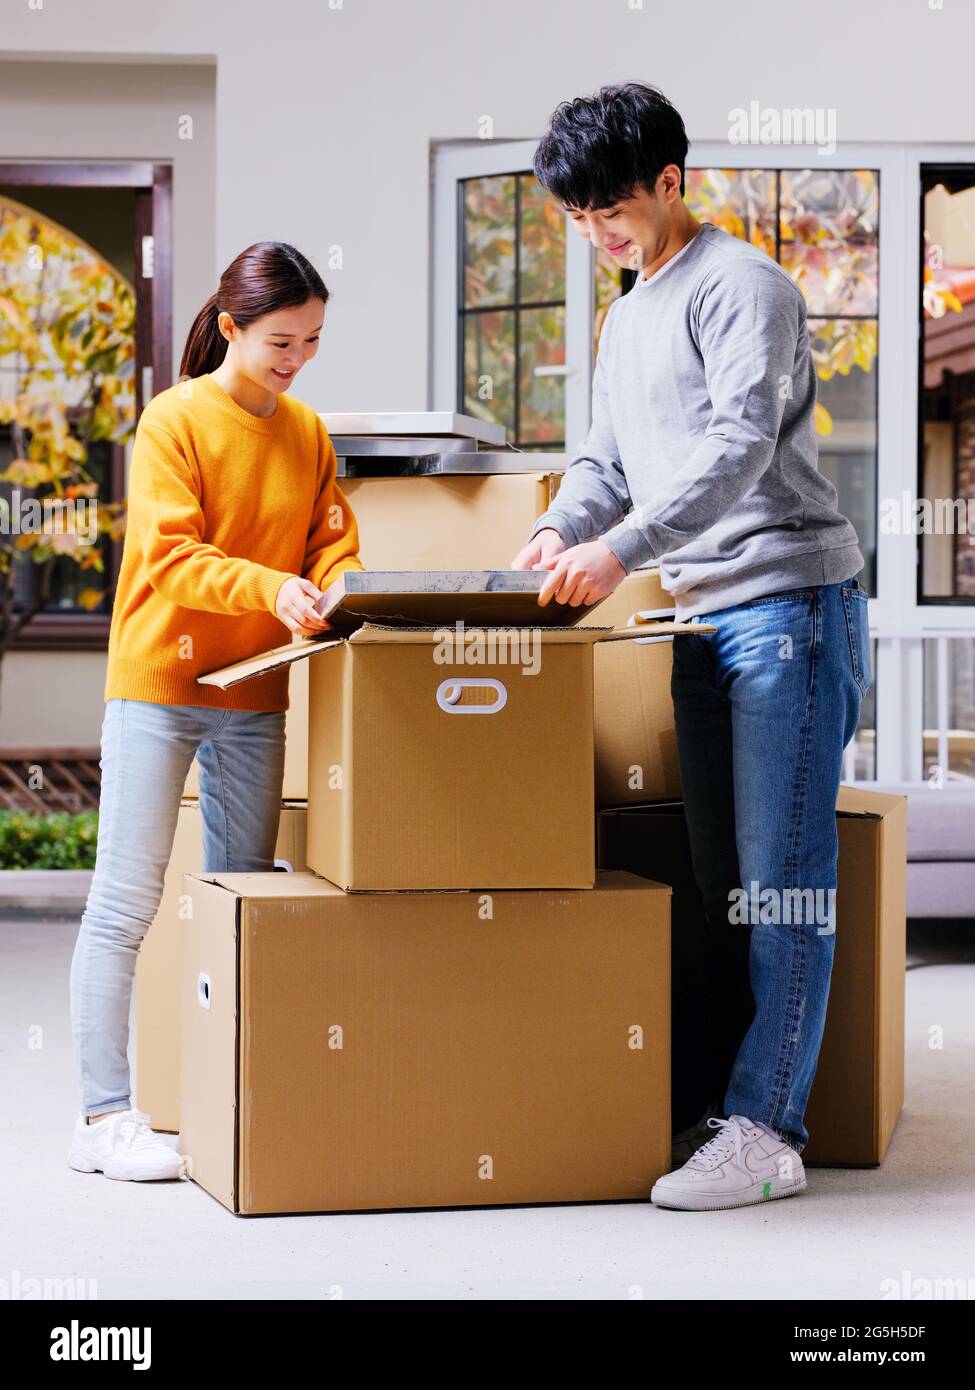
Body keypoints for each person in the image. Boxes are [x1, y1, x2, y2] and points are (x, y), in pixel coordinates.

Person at [512, 82, 872, 1212]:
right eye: (577, 219)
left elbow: (734, 449)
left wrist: (620, 550)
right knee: (722, 882)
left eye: (610, 212)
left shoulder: (743, 287)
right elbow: (603, 460)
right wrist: (557, 527)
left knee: (781, 888)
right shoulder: (627, 315)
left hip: (786, 610)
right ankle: (731, 1103)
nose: (596, 234)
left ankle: (770, 1131)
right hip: (702, 615)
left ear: (673, 181)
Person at [68, 241, 364, 1181]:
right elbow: (171, 557)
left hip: (255, 692)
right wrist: (274, 589)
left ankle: (230, 1098)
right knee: (125, 901)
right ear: (230, 327)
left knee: (244, 901)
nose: (296, 358)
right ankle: (102, 1116)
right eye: (281, 340)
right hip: (160, 687)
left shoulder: (308, 431)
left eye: (312, 340)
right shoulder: (174, 421)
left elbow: (333, 543)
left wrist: (341, 589)